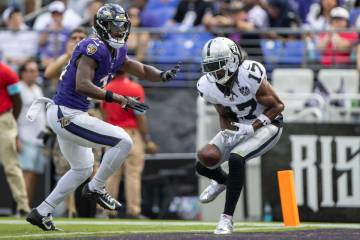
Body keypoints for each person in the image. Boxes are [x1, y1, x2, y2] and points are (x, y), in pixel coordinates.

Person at [26, 3, 179, 231]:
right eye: (114, 27)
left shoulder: (116, 49)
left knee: (83, 168)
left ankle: (42, 212)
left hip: (67, 114)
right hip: (67, 114)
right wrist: (119, 98)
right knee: (123, 140)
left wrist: (162, 75)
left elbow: (139, 68)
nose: (119, 31)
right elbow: (83, 85)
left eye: (122, 27)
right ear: (101, 26)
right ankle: (97, 188)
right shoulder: (93, 46)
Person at [196, 37, 284, 234]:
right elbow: (224, 114)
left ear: (233, 61)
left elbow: (278, 106)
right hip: (239, 125)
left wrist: (253, 127)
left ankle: (226, 219)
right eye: (209, 67)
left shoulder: (249, 73)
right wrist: (228, 133)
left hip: (267, 124)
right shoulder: (207, 85)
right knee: (204, 161)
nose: (213, 72)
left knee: (236, 159)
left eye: (217, 66)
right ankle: (222, 181)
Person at [102, 71, 158, 219]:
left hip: (112, 133)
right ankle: (134, 211)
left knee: (111, 174)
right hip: (131, 134)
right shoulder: (135, 88)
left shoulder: (106, 87)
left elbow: (104, 113)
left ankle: (107, 210)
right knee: (133, 174)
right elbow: (140, 117)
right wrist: (147, 140)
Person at [0, 61, 30, 216]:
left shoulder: (6, 72)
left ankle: (23, 205)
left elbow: (17, 99)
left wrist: (12, 120)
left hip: (3, 119)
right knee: (12, 165)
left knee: (11, 165)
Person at [17, 59, 47, 208]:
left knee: (35, 175)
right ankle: (22, 207)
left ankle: (27, 206)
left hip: (39, 140)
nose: (35, 73)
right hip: (24, 138)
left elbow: (41, 116)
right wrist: (16, 139)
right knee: (26, 174)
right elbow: (13, 115)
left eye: (36, 70)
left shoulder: (37, 89)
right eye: (31, 70)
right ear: (23, 73)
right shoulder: (17, 89)